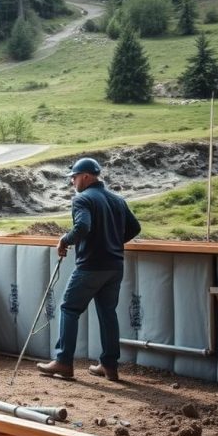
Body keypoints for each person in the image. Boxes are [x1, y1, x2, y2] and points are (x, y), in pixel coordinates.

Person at [37, 157, 141, 381]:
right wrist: (112, 241)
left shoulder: (82, 199)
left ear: (85, 176)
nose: (72, 182)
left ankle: (64, 362)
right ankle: (109, 366)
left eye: (73, 178)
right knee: (107, 314)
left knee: (69, 309)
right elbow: (135, 227)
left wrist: (64, 240)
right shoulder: (118, 200)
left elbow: (83, 226)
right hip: (115, 266)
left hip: (91, 266)